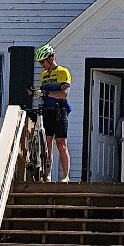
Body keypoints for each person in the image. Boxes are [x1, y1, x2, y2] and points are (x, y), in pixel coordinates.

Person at [35, 44, 73, 182]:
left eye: (43, 61)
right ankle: (48, 174)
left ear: (51, 59)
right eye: (40, 62)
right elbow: (46, 95)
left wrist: (45, 92)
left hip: (60, 110)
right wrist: (36, 93)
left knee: (61, 143)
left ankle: (65, 176)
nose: (41, 65)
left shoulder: (63, 72)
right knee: (47, 144)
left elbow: (63, 94)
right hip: (47, 111)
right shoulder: (43, 76)